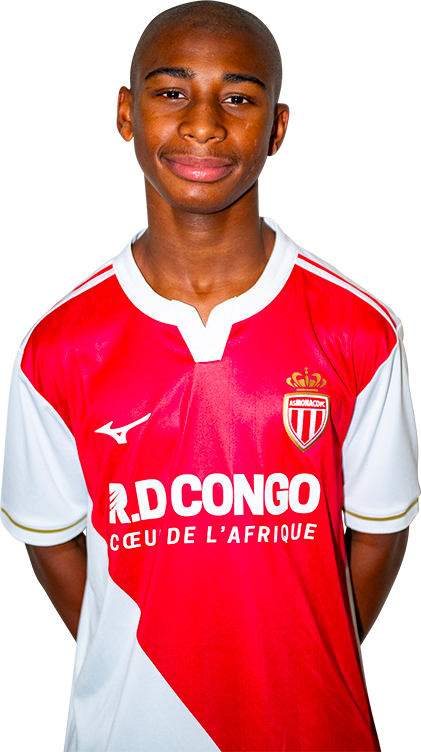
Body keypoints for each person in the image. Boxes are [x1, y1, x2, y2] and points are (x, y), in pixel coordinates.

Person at [1, 2, 419, 750]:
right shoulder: (59, 345)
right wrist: (137, 660)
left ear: (276, 128)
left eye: (238, 98)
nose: (202, 124)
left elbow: (378, 534)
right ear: (126, 116)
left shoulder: (357, 328)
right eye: (171, 92)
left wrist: (299, 661)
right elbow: (53, 541)